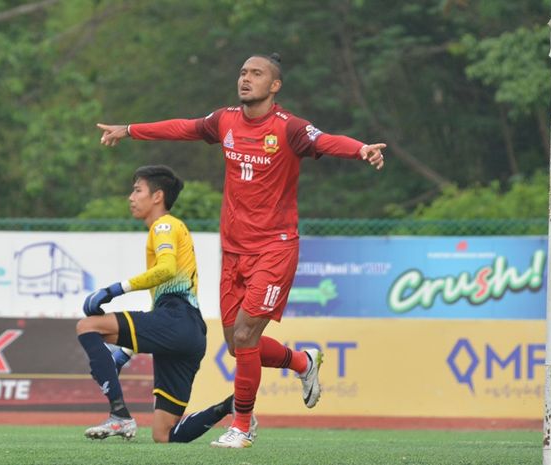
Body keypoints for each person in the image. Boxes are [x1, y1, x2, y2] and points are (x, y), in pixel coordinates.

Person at [96, 53, 386, 448]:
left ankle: (243, 424)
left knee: (248, 334)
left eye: (257, 73)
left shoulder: (289, 128)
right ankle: (302, 362)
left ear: (275, 85)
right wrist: (129, 130)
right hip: (233, 251)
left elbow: (326, 140)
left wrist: (360, 149)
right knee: (237, 345)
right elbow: (183, 127)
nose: (246, 79)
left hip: (275, 248)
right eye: (243, 72)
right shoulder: (225, 121)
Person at [77, 165, 248, 443]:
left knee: (88, 326)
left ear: (157, 197)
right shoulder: (172, 227)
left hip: (176, 318)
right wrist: (127, 352)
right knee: (164, 435)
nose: (131, 197)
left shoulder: (164, 225)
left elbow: (167, 269)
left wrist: (113, 289)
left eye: (137, 190)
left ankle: (119, 415)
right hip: (189, 333)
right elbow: (159, 323)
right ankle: (233, 405)